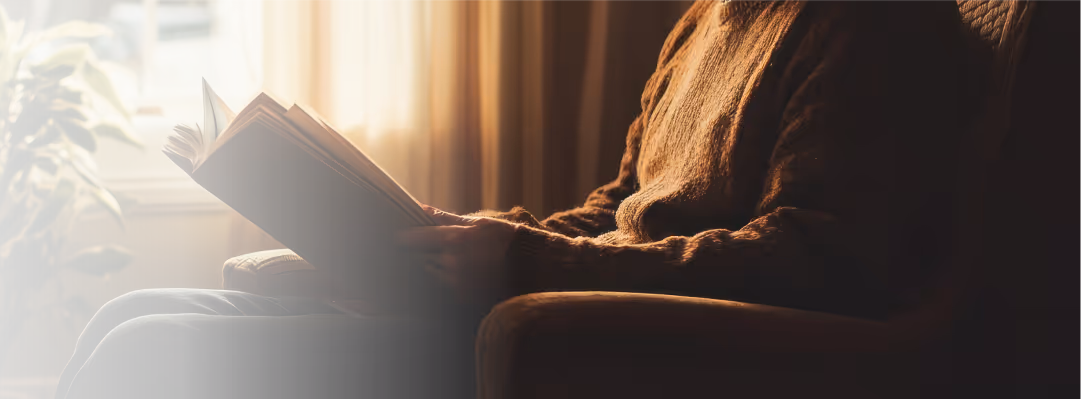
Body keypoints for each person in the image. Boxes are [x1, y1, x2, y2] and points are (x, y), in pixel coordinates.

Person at [54, 0, 975, 398]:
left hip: (601, 342)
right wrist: (472, 234)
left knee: (152, 353)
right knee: (129, 309)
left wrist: (531, 264)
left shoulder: (876, 25)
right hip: (546, 295)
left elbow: (821, 257)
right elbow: (620, 203)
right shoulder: (710, 20)